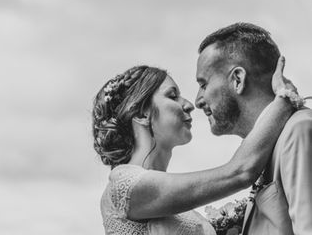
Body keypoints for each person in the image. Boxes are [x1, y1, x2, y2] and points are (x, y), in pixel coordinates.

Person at [195, 22, 312, 235]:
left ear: (238, 79)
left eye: (203, 85)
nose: (197, 101)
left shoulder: (304, 132)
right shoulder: (278, 144)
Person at [92, 55, 300, 235]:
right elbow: (239, 172)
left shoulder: (174, 209)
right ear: (141, 113)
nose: (189, 104)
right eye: (172, 96)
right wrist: (284, 98)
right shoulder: (123, 186)